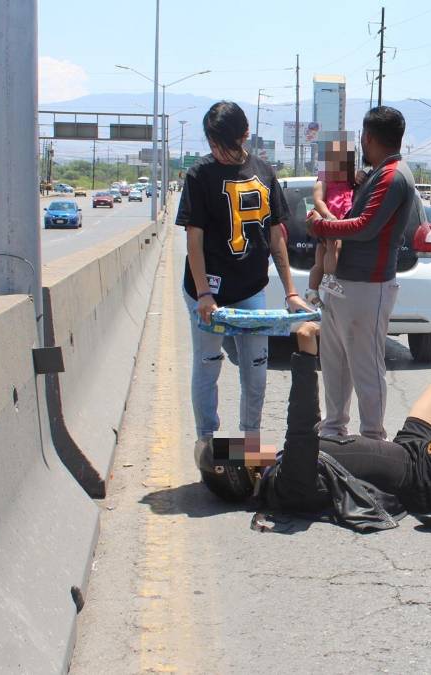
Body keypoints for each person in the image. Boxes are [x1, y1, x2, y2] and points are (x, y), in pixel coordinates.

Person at [207, 323, 431, 527]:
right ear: (242, 471)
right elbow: (302, 426)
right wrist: (305, 354)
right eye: (240, 448)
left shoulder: (278, 468)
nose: (249, 444)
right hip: (422, 478)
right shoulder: (289, 484)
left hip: (406, 450)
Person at [176, 101, 312, 472]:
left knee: (255, 368)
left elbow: (276, 236)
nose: (217, 150)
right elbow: (193, 240)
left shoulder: (265, 173)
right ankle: (208, 445)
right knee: (208, 363)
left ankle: (250, 449)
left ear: (244, 135)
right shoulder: (199, 174)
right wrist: (204, 293)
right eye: (212, 143)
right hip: (207, 291)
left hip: (250, 288)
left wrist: (291, 292)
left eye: (224, 143)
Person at [307, 106, 425, 440]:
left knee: (365, 367)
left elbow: (364, 226)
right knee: (334, 362)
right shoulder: (378, 173)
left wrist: (321, 225)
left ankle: (373, 439)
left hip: (367, 287)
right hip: (342, 284)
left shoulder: (392, 176)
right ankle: (333, 431)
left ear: (368, 137)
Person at [307, 133, 360, 303]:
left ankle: (312, 291)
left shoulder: (350, 181)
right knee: (334, 247)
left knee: (320, 261)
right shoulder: (323, 180)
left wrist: (360, 176)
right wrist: (328, 216)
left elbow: (360, 179)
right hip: (329, 222)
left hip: (337, 222)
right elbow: (318, 201)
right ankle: (329, 279)